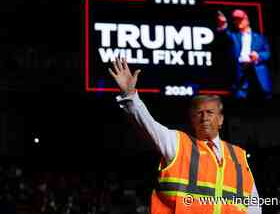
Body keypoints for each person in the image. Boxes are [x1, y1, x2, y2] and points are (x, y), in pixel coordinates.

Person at [108, 58, 261, 213]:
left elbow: (254, 206)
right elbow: (149, 125)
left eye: (210, 112)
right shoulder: (178, 144)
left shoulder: (239, 156)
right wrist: (131, 97)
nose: (204, 117)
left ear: (221, 120)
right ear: (192, 120)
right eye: (199, 113)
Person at [216, 9, 272, 100]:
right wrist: (223, 25)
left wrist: (258, 56)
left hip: (256, 71)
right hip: (241, 71)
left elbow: (267, 53)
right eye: (235, 20)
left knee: (262, 99)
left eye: (240, 19)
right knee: (240, 98)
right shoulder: (234, 36)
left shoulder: (259, 37)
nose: (237, 22)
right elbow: (225, 34)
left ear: (247, 19)